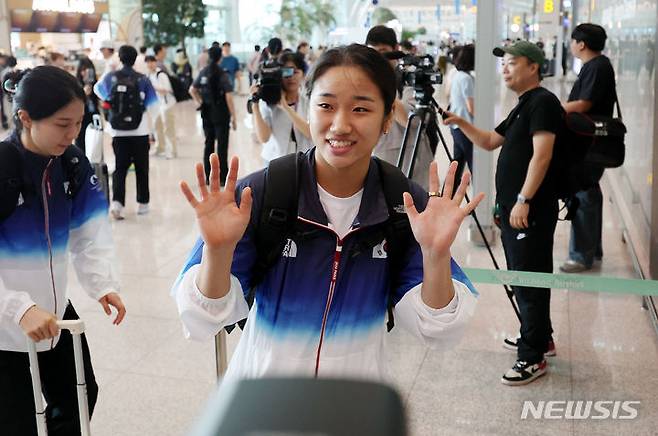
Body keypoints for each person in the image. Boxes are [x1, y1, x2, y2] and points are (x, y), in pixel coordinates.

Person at [172, 43, 483, 382]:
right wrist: (217, 252)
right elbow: (205, 317)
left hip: (353, 404)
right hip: (263, 400)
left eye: (361, 109)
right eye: (326, 106)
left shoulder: (403, 205)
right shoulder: (263, 194)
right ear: (309, 109)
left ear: (387, 118)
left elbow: (436, 329)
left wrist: (436, 255)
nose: (340, 125)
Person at [0, 65, 125, 436]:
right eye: (61, 124)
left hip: (54, 314)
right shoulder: (4, 166)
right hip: (6, 326)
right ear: (25, 117)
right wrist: (18, 308)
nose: (72, 134)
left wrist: (101, 283)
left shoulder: (71, 163)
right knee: (16, 420)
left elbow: (90, 231)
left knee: (77, 401)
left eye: (78, 123)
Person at [443, 41, 562, 386]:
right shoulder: (524, 104)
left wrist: (524, 199)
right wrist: (459, 121)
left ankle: (532, 356)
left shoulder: (543, 103)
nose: (505, 69)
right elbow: (488, 142)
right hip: (514, 210)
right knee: (524, 275)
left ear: (534, 67)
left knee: (529, 277)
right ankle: (541, 337)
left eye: (512, 63)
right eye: (504, 64)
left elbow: (543, 156)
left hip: (530, 211)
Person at [559, 24, 616, 273]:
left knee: (583, 192)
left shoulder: (597, 66)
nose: (571, 45)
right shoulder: (597, 65)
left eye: (573, 41)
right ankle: (593, 249)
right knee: (590, 192)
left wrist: (557, 107)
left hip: (590, 143)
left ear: (581, 43)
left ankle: (581, 256)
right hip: (589, 141)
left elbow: (583, 104)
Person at [365, 25, 433, 189]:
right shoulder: (365, 79)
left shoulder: (409, 77)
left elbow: (413, 122)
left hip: (412, 156)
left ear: (396, 49)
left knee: (414, 207)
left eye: (384, 52)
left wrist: (383, 89)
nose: (379, 59)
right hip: (379, 155)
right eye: (374, 53)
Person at [94, 45, 158, 220]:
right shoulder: (142, 79)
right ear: (135, 58)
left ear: (120, 58)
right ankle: (143, 204)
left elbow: (97, 89)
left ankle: (117, 204)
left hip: (117, 131)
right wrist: (152, 132)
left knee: (120, 168)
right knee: (141, 167)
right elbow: (154, 106)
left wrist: (110, 100)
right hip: (140, 131)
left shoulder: (111, 77)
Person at [250, 51, 313, 164]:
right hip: (274, 161)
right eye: (286, 72)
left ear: (303, 74)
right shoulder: (268, 101)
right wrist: (255, 105)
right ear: (279, 75)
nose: (291, 77)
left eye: (296, 72)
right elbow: (264, 138)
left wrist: (285, 107)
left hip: (304, 160)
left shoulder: (309, 100)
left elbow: (310, 133)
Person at [190, 46, 237, 185]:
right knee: (222, 146)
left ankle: (208, 177)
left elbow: (192, 89)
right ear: (220, 57)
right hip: (221, 113)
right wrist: (234, 116)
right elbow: (228, 97)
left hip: (207, 113)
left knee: (208, 144)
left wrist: (201, 101)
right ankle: (222, 179)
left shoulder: (203, 72)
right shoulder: (222, 74)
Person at [448, 44, 475, 186]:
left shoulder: (458, 75)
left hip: (456, 126)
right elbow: (471, 107)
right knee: (474, 164)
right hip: (465, 127)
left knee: (457, 164)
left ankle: (448, 196)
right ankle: (480, 201)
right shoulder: (467, 79)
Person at [146, 55, 178, 159]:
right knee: (157, 126)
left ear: (155, 62)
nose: (150, 64)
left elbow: (167, 90)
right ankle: (160, 148)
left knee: (168, 128)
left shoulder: (161, 74)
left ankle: (172, 151)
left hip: (167, 104)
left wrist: (153, 88)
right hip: (157, 105)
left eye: (152, 62)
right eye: (148, 62)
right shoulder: (149, 75)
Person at [74, 56, 99, 154]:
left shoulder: (96, 85)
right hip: (81, 118)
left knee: (95, 143)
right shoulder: (75, 84)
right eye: (83, 70)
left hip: (94, 116)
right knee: (81, 143)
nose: (85, 73)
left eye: (88, 69)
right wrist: (83, 94)